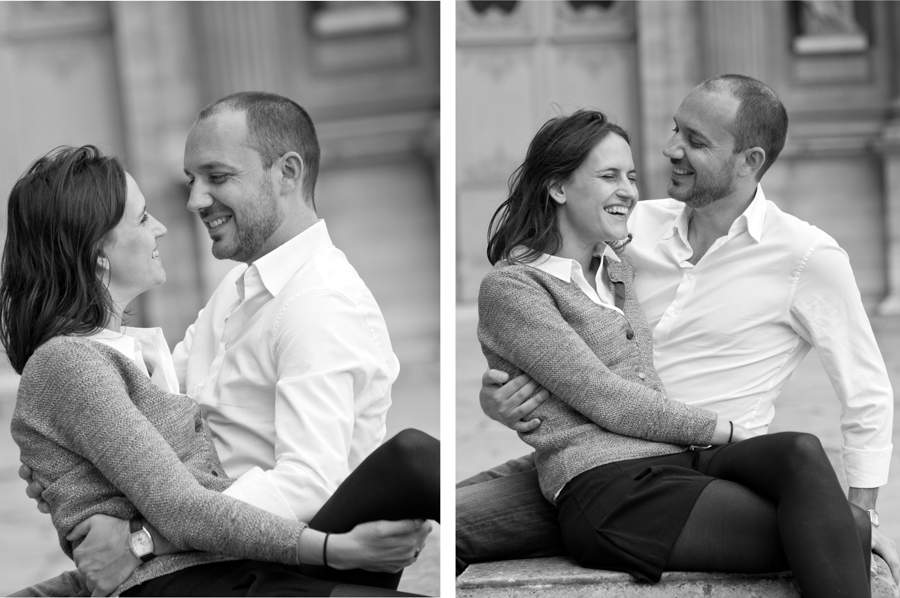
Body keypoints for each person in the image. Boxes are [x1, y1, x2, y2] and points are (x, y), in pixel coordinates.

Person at [459, 75, 898, 583]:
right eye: (675, 130)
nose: (670, 150)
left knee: (805, 463)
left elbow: (866, 392)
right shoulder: (627, 229)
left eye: (696, 140)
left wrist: (863, 514)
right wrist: (496, 396)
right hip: (601, 459)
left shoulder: (806, 257)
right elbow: (554, 331)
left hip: (713, 462)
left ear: (749, 161)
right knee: (446, 521)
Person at [3, 158, 436, 594]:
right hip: (190, 580)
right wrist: (334, 550)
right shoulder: (71, 363)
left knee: (411, 458)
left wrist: (126, 531)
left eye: (218, 176)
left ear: (287, 173)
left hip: (227, 563)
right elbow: (180, 506)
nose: (163, 225)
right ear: (98, 256)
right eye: (141, 218)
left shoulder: (133, 352)